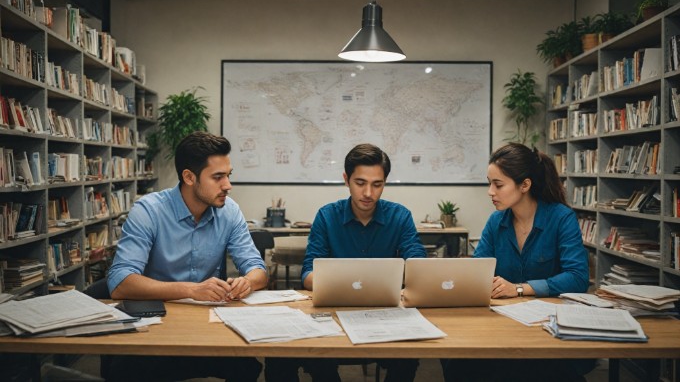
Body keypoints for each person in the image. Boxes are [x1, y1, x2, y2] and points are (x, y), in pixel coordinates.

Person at [106, 131, 267, 382]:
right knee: (127, 371)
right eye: (218, 177)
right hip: (156, 325)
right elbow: (120, 282)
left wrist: (248, 281)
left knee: (248, 367)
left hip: (209, 325)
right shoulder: (148, 211)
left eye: (228, 175)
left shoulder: (230, 211)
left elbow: (257, 268)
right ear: (189, 177)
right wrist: (191, 290)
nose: (228, 185)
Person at [265, 143, 426, 382]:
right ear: (346, 179)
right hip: (333, 316)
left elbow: (418, 264)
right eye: (360, 183)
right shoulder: (327, 216)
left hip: (386, 316)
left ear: (385, 182)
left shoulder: (400, 216)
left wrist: (414, 277)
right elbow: (308, 273)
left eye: (377, 184)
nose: (368, 193)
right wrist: (329, 283)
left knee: (409, 356)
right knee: (280, 355)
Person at [441, 142, 593, 382]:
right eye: (489, 183)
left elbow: (577, 277)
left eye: (498, 184)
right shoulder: (496, 221)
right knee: (456, 362)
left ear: (525, 185)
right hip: (501, 325)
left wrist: (520, 288)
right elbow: (479, 270)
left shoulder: (561, 218)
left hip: (548, 331)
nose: (490, 191)